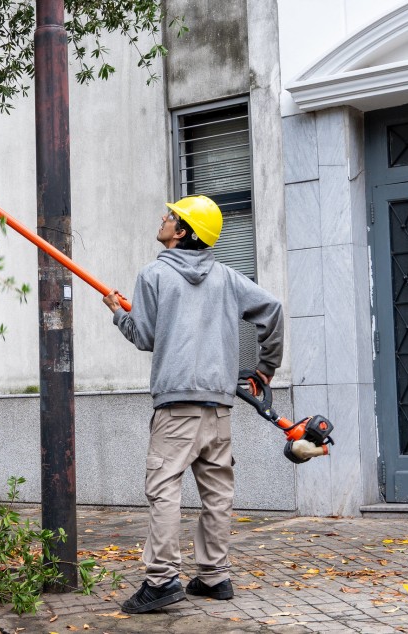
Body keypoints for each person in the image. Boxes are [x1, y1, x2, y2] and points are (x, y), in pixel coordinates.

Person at [103, 195, 283, 614]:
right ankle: (215, 576)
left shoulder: (154, 275)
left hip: (177, 405)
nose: (163, 219)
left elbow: (144, 337)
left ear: (182, 232)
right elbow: (271, 309)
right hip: (219, 404)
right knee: (217, 491)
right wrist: (265, 368)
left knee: (164, 487)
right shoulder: (226, 278)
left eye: (170, 216)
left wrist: (117, 313)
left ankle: (162, 579)